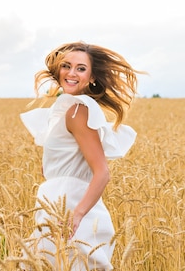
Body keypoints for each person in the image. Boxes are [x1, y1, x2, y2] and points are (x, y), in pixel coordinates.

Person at [19, 41, 143, 270]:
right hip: (57, 206)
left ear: (92, 77)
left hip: (70, 211)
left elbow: (102, 173)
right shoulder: (70, 109)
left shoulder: (78, 111)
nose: (71, 73)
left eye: (81, 68)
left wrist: (77, 215)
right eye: (66, 65)